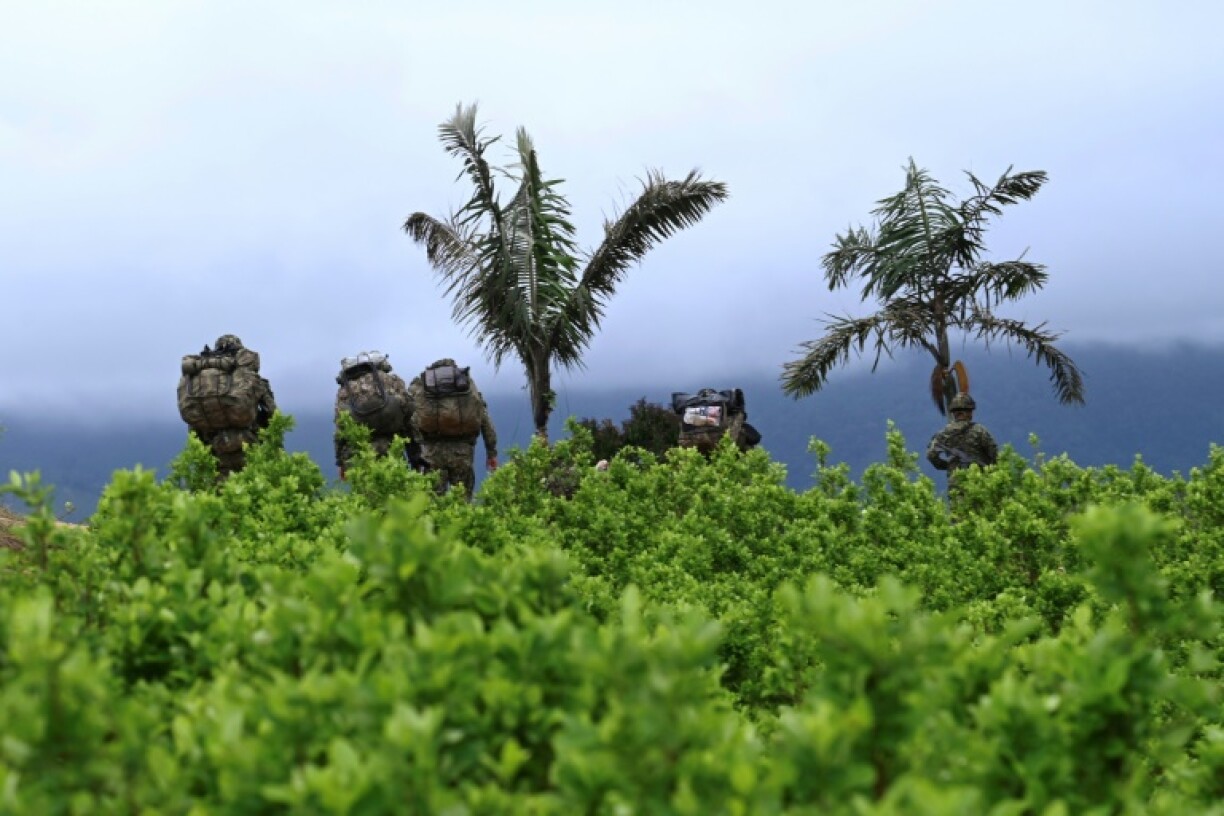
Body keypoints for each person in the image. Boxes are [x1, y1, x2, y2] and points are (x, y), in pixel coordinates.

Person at [177, 334, 276, 479]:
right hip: (250, 444)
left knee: (222, 489)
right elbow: (272, 413)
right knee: (255, 486)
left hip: (216, 448)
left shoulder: (199, 381)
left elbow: (194, 425)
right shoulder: (249, 378)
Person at [408, 358, 498, 497]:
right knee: (462, 499)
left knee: (433, 500)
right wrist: (491, 453)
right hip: (462, 452)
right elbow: (484, 419)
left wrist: (415, 452)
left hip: (431, 452)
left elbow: (411, 419)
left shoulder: (423, 384)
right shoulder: (466, 384)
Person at [333, 350, 421, 480]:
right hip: (392, 447)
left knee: (365, 489)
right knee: (395, 487)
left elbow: (341, 431)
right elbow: (409, 415)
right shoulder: (390, 380)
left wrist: (341, 462)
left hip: (360, 453)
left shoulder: (344, 391)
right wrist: (415, 454)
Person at [926, 393, 998, 490]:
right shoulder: (980, 431)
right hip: (979, 484)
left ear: (954, 413)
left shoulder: (943, 434)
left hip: (956, 485)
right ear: (968, 412)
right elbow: (995, 455)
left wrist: (948, 466)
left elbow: (931, 455)